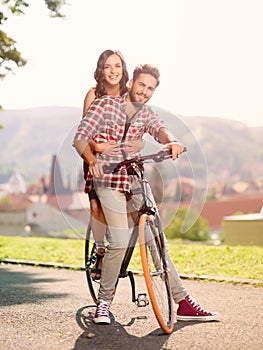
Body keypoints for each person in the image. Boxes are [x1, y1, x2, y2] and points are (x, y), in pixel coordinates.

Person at [73, 64, 218, 325]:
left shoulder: (147, 113)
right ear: (131, 84)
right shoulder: (105, 106)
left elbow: (160, 129)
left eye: (150, 89)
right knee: (118, 239)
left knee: (156, 241)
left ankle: (183, 301)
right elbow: (82, 136)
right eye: (141, 85)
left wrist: (171, 141)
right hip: (108, 180)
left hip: (136, 178)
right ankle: (103, 303)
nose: (145, 92)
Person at [82, 49, 144, 278]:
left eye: (117, 66)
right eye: (108, 66)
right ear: (101, 70)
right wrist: (97, 148)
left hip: (120, 160)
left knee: (123, 209)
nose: (113, 71)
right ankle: (100, 252)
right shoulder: (93, 94)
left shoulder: (128, 94)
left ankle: (116, 250)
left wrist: (138, 142)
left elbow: (139, 121)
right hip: (96, 157)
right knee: (97, 206)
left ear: (123, 69)